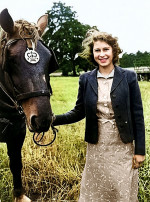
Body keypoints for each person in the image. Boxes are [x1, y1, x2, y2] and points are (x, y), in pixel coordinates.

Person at [53, 29, 145, 202]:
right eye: (97, 50)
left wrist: (140, 151)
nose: (101, 54)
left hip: (122, 146)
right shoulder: (85, 79)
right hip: (97, 146)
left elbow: (137, 115)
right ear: (92, 53)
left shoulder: (129, 77)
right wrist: (53, 119)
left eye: (106, 49)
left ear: (114, 51)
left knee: (121, 188)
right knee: (96, 192)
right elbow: (78, 111)